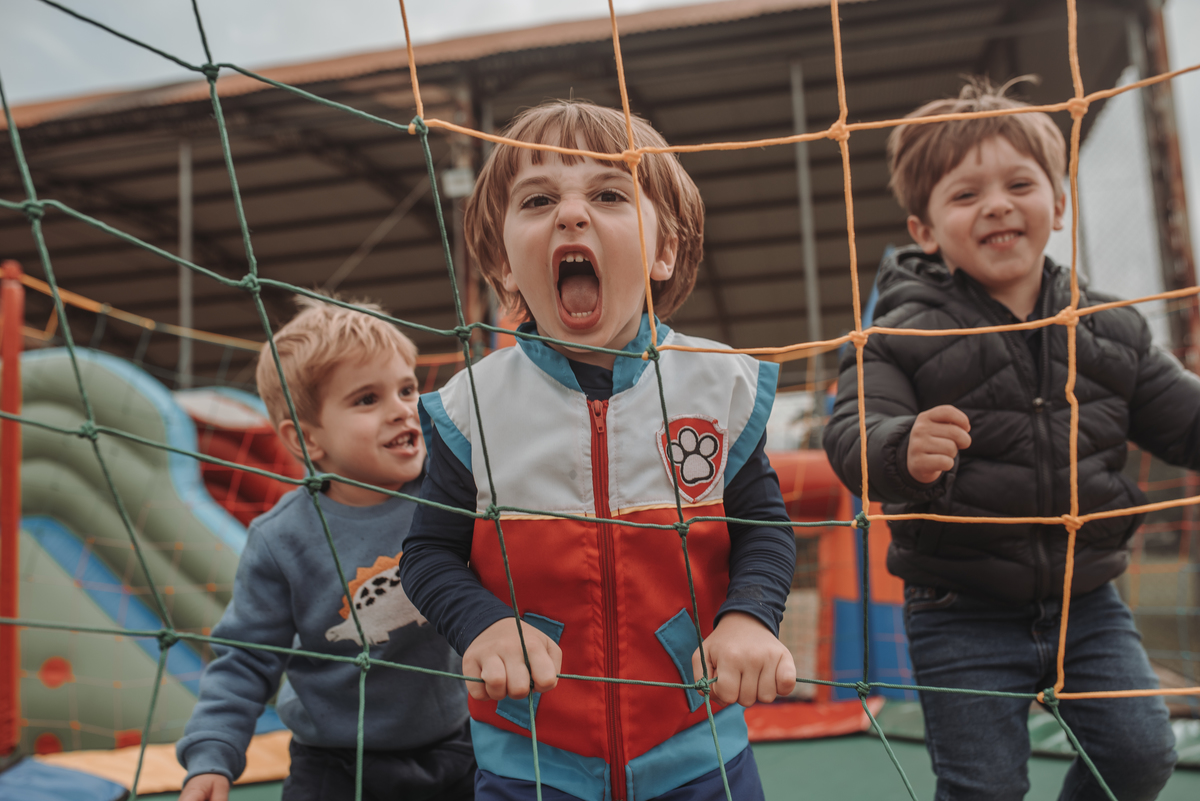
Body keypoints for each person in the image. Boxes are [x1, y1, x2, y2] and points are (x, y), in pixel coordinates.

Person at [399, 100, 797, 801]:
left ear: (663, 251)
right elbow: (428, 553)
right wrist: (484, 626)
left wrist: (748, 617)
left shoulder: (716, 385)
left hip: (697, 747)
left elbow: (763, 527)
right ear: (504, 263)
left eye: (609, 194)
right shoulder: (474, 408)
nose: (572, 215)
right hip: (531, 756)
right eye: (539, 200)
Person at [822, 78, 1195, 800]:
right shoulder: (897, 334)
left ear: (1058, 204)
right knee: (984, 786)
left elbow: (1184, 420)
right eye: (966, 195)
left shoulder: (1111, 330)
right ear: (925, 230)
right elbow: (853, 433)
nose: (996, 204)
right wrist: (900, 446)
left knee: (1142, 755)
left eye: (1019, 184)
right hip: (959, 605)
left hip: (1087, 600)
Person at [177, 297, 475, 801]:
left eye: (406, 389)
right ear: (307, 439)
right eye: (367, 399)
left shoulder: (451, 494)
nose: (402, 409)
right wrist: (212, 754)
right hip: (335, 763)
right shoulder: (283, 539)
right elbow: (246, 658)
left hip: (456, 745)